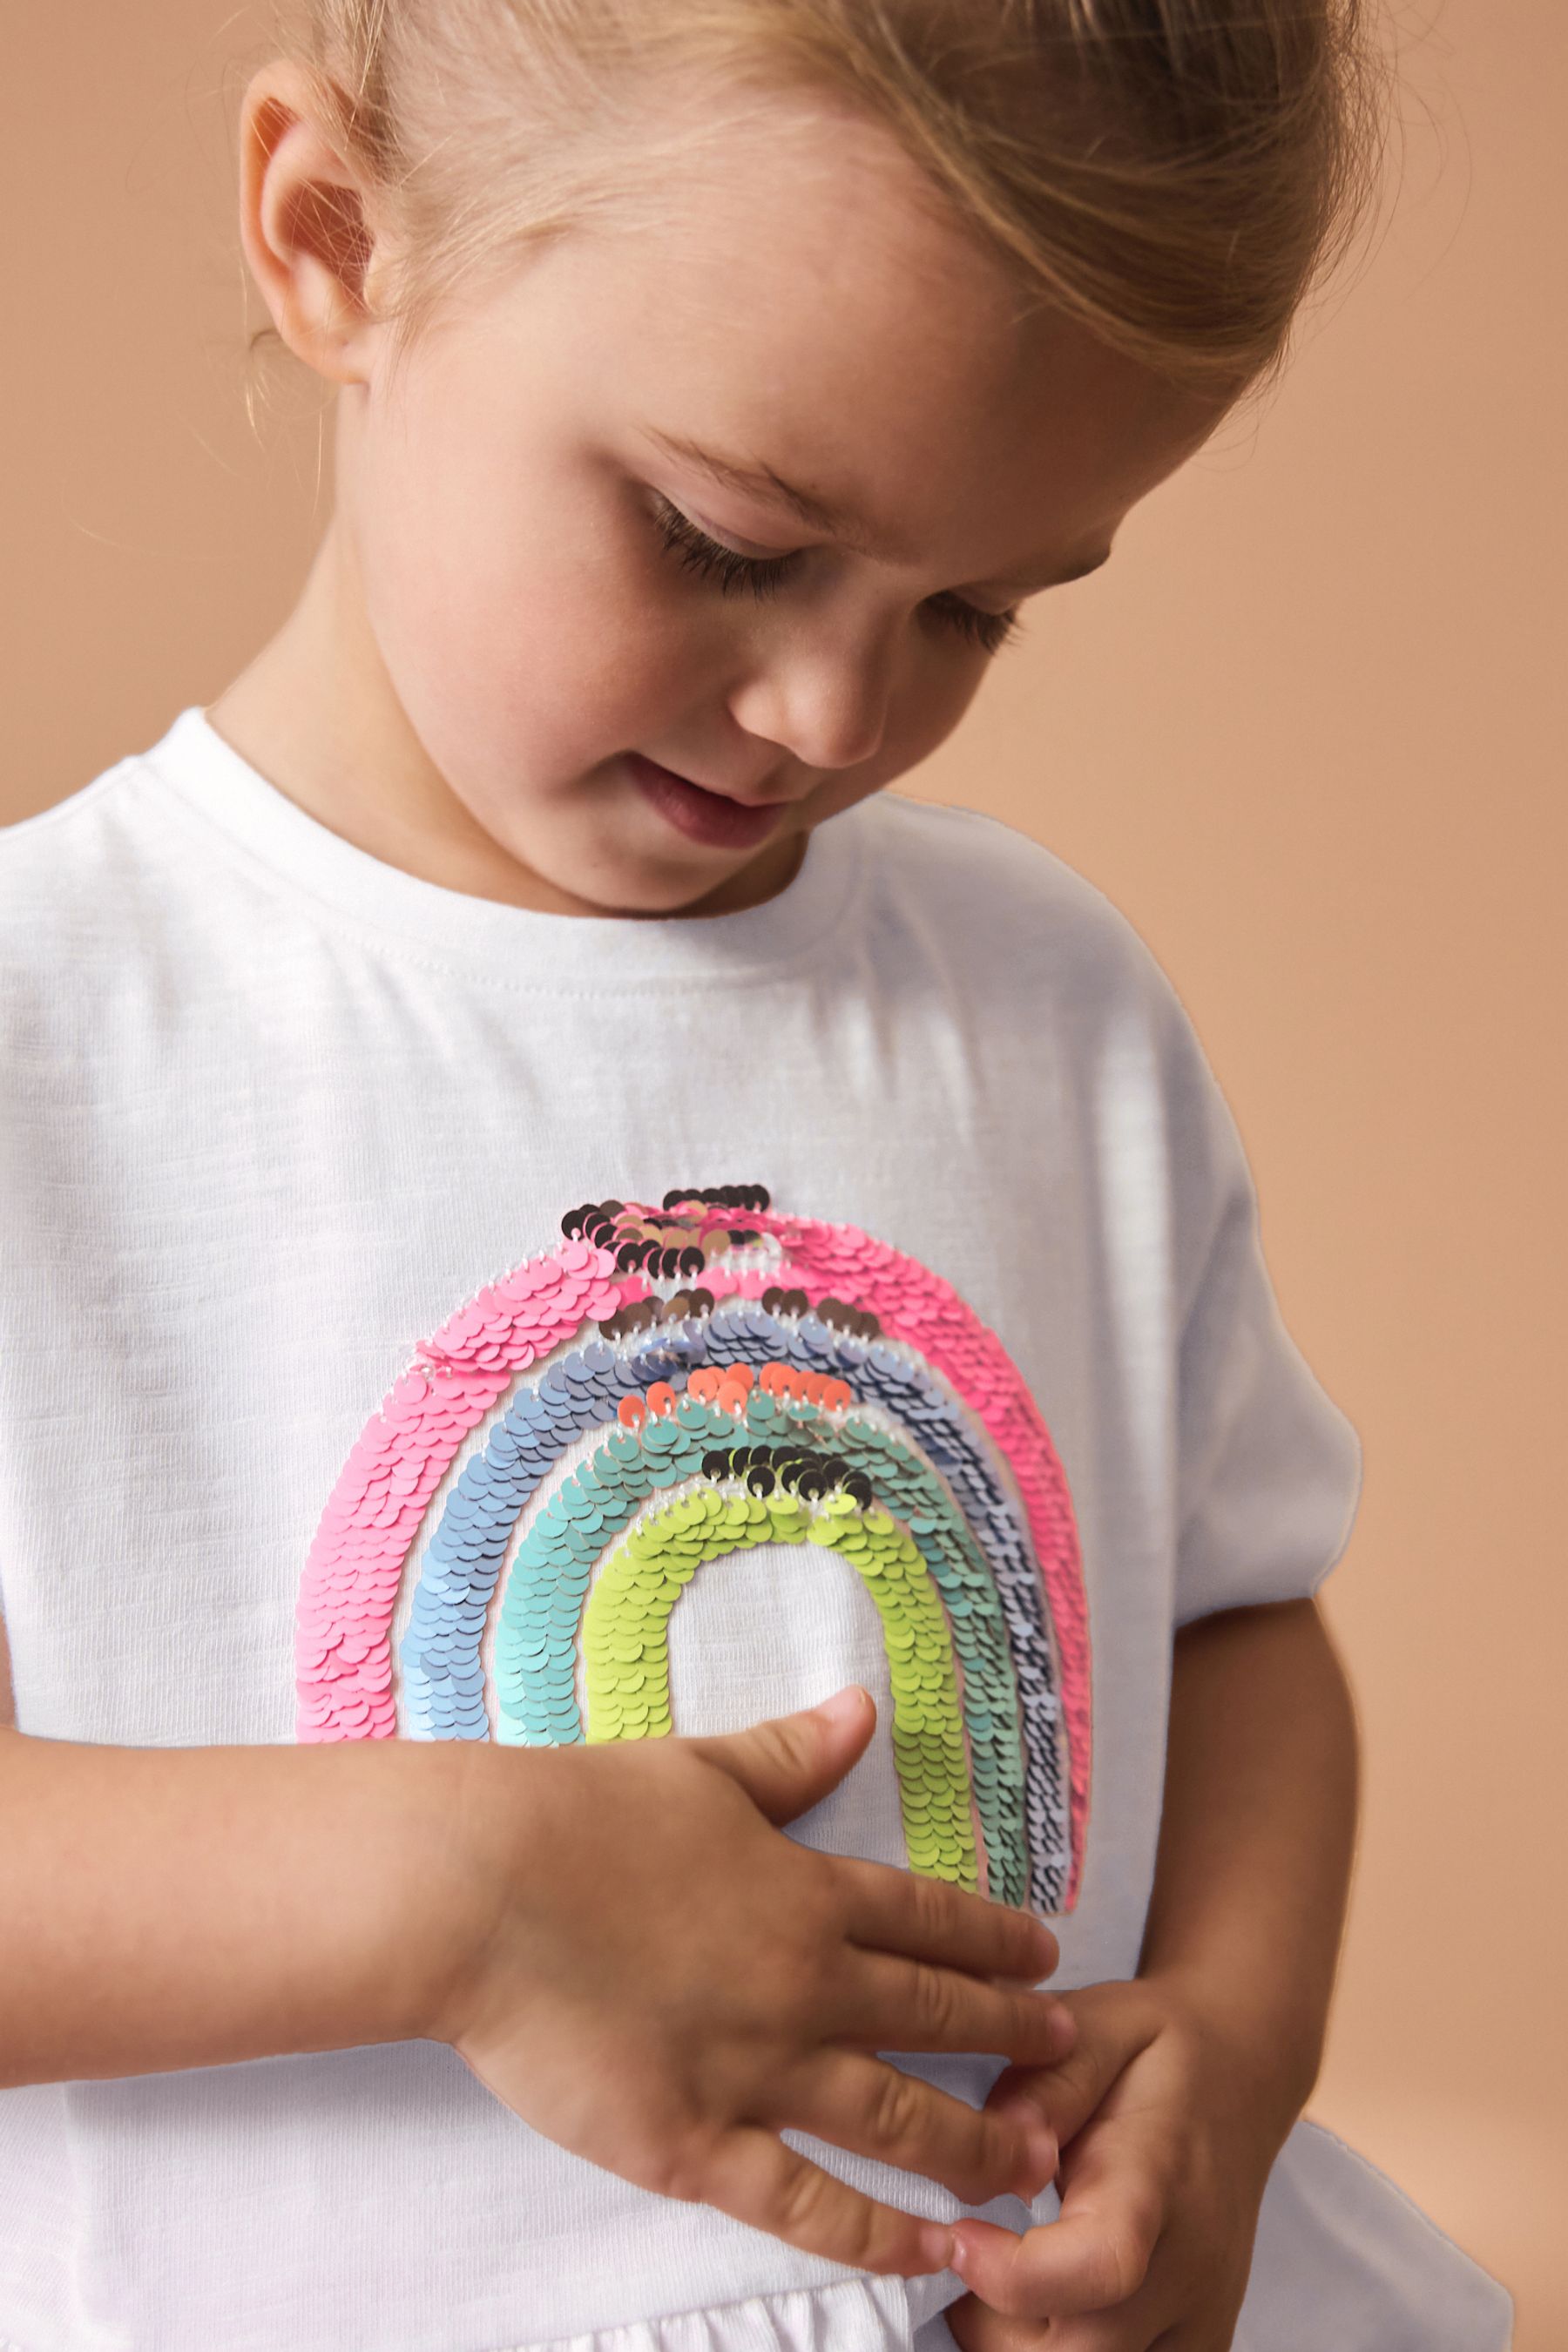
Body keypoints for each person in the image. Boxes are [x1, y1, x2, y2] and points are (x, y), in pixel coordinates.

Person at [0, 2, 1514, 2348]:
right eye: (727, 537)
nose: (835, 710)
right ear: (334, 237)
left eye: (977, 605)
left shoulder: (1047, 1001)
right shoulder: (54, 1042)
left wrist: (1231, 2036)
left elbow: (1238, 1622)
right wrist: (460, 1893)